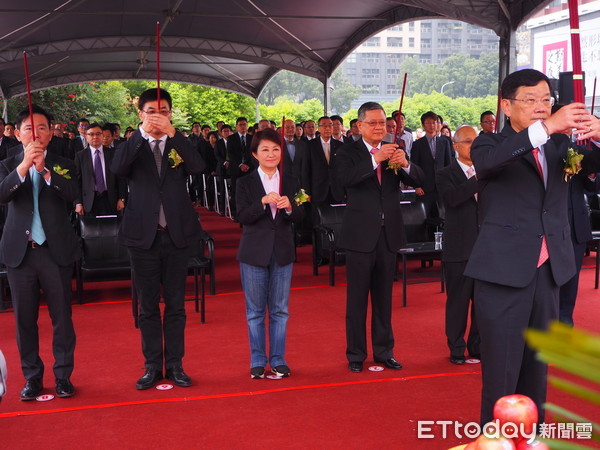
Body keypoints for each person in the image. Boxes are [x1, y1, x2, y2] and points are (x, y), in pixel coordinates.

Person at [464, 68, 600, 425]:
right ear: (507, 106)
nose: (541, 107)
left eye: (546, 100)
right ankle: (495, 442)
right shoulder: (488, 143)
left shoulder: (559, 145)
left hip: (549, 271)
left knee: (538, 371)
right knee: (502, 374)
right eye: (530, 100)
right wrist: (549, 127)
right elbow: (492, 163)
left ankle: (531, 438)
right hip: (503, 273)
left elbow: (592, 166)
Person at [111, 88, 205, 390]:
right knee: (148, 306)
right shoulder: (134, 144)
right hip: (143, 236)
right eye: (151, 110)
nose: (157, 115)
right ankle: (152, 366)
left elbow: (200, 166)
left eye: (163, 110)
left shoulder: (178, 141)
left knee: (176, 305)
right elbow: (117, 168)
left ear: (171, 113)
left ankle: (176, 364)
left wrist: (174, 134)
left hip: (176, 233)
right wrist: (141, 134)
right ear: (141, 114)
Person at [334, 102, 424, 373]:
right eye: (372, 123)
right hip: (360, 236)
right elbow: (343, 182)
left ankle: (385, 351)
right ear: (359, 125)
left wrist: (405, 163)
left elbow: (422, 181)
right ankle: (356, 354)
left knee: (384, 299)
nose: (378, 128)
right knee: (357, 300)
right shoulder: (346, 152)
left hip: (389, 235)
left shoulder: (396, 149)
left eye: (382, 123)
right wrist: (375, 159)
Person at [0, 105, 80, 400]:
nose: (36, 133)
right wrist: (23, 167)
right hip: (21, 253)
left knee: (62, 318)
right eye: (29, 128)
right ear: (18, 133)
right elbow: (1, 195)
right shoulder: (7, 164)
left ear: (51, 132)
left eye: (43, 128)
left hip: (54, 251)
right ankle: (32, 376)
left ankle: (63, 376)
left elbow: (73, 195)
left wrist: (45, 171)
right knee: (24, 320)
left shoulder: (64, 163)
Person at [236, 128, 305, 379]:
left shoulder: (292, 180)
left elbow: (302, 216)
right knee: (255, 311)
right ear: (255, 154)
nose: (271, 154)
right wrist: (262, 202)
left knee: (280, 310)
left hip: (283, 250)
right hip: (254, 252)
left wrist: (289, 209)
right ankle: (257, 360)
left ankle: (278, 359)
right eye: (265, 149)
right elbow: (241, 216)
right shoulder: (245, 182)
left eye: (275, 149)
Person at [435, 125, 480, 365]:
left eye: (477, 141)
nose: (474, 146)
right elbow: (452, 200)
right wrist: (477, 178)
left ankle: (477, 347)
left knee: (482, 303)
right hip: (459, 248)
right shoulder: (445, 173)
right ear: (456, 146)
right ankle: (456, 347)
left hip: (485, 248)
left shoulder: (489, 171)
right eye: (469, 141)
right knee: (458, 302)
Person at [559, 168, 600, 325]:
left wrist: (591, 174)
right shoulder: (541, 147)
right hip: (547, 225)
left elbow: (593, 188)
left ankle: (565, 324)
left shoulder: (581, 150)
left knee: (571, 281)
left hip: (576, 226)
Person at [74, 122, 126, 216]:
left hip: (110, 199)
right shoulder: (80, 156)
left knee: (111, 229)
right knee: (90, 229)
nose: (95, 137)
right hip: (89, 201)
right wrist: (78, 203)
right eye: (91, 134)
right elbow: (77, 181)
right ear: (86, 136)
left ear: (102, 135)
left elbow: (120, 177)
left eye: (98, 134)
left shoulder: (113, 154)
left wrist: (121, 198)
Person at [410, 111, 454, 219]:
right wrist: (416, 186)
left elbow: (448, 164)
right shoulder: (417, 144)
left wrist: (448, 183)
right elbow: (414, 166)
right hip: (424, 187)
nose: (432, 125)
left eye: (434, 123)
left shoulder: (445, 142)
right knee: (424, 217)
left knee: (442, 217)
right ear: (423, 125)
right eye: (428, 123)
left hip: (441, 186)